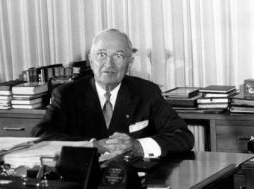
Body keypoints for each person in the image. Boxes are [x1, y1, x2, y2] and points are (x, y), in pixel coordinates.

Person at [31, 28, 194, 158]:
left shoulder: (147, 92)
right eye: (101, 55)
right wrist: (93, 145)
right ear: (91, 59)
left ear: (130, 62)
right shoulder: (67, 93)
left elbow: (183, 136)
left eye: (118, 55)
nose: (109, 64)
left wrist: (138, 147)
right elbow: (42, 135)